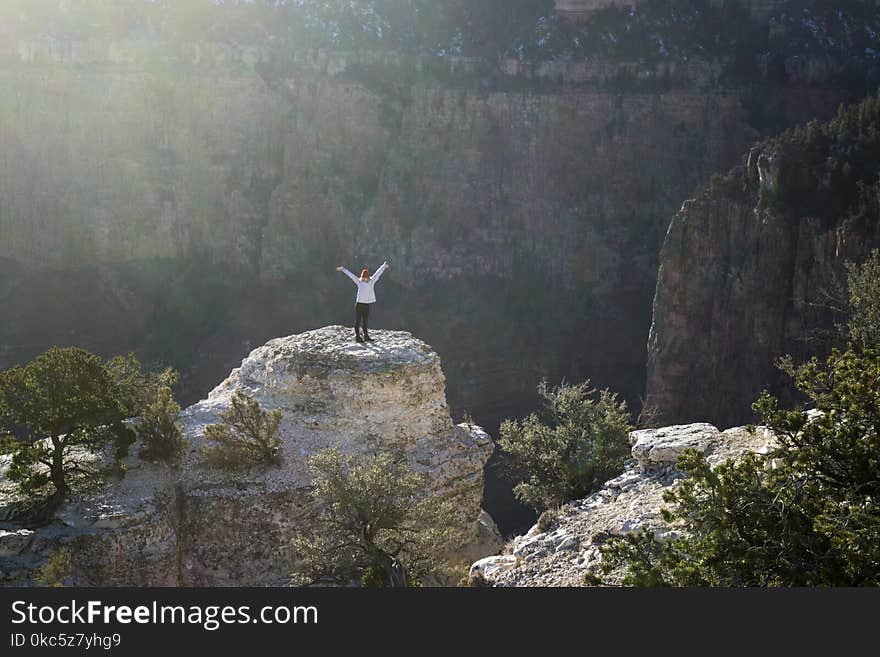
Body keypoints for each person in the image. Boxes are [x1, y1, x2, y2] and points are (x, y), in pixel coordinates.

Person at [336, 261, 388, 342]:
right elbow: (351, 275)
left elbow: (377, 273)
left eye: (365, 277)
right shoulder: (359, 281)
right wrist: (343, 269)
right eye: (363, 277)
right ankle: (357, 336)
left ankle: (366, 335)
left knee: (365, 320)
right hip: (359, 304)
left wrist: (383, 266)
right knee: (358, 320)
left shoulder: (372, 281)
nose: (363, 279)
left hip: (366, 304)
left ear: (368, 277)